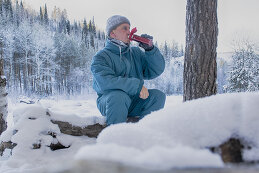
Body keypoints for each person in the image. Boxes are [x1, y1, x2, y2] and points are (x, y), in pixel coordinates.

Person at [91, 15, 166, 125]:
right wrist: (136, 86)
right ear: (113, 33)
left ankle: (144, 134)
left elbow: (155, 70)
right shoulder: (101, 57)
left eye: (129, 28)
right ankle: (115, 139)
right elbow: (106, 82)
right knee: (119, 96)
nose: (129, 32)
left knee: (158, 96)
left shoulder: (136, 53)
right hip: (110, 102)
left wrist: (150, 50)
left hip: (134, 101)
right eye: (124, 28)